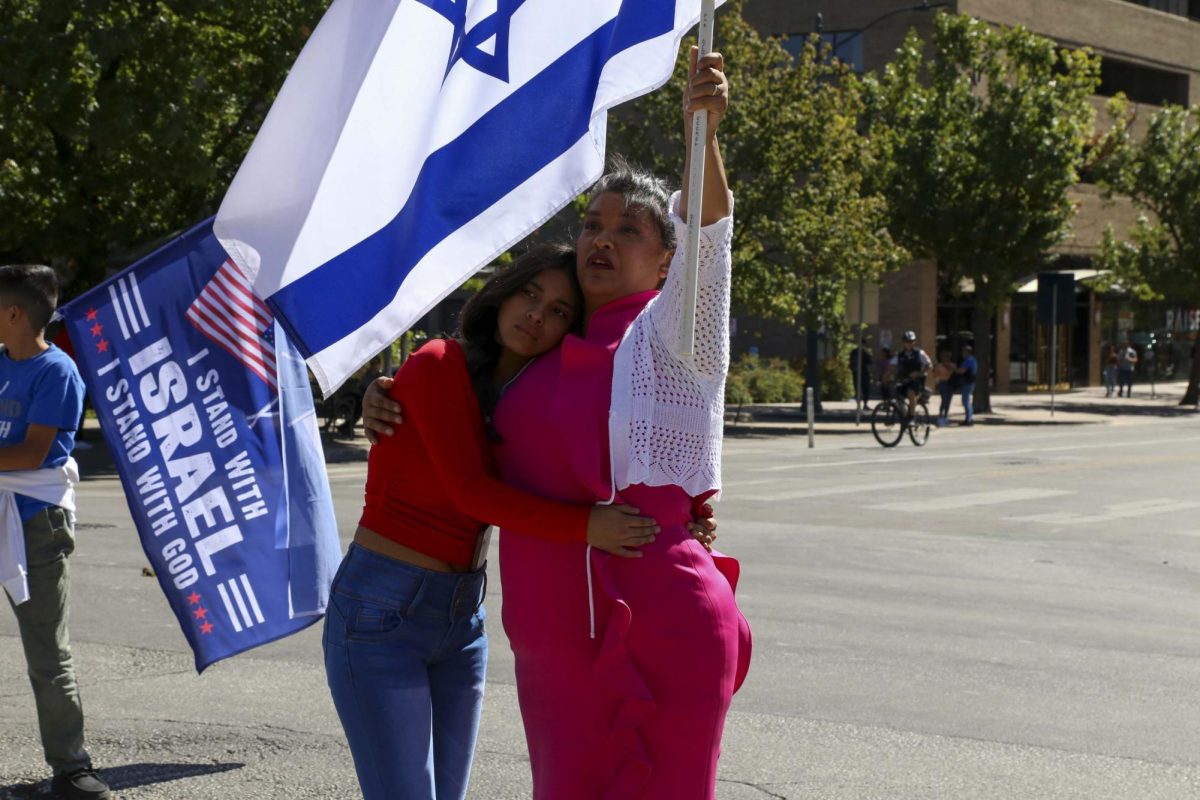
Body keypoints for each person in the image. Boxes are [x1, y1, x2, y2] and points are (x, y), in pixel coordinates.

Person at [364, 48, 750, 800]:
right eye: (592, 225)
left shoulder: (674, 338)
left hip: (662, 620)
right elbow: (463, 409)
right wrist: (391, 395)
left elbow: (711, 240)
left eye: (630, 230)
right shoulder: (543, 351)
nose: (602, 240)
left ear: (666, 261)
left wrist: (703, 132)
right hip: (551, 634)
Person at [323, 245, 716, 800]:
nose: (537, 314)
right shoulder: (438, 362)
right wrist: (588, 527)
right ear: (502, 293)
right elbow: (471, 493)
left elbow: (610, 456)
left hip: (462, 617)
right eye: (531, 294)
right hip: (381, 609)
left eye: (559, 310)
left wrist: (687, 511)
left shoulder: (527, 399)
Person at [0, 265, 108, 799]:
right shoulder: (0, 362)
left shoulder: (57, 371)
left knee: (47, 651)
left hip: (35, 521)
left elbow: (31, 453)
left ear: (15, 313)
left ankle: (71, 768)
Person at [895, 331, 932, 418]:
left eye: (911, 341)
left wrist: (920, 373)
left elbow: (929, 365)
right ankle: (903, 415)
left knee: (910, 392)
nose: (909, 344)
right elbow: (891, 367)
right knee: (896, 393)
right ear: (903, 342)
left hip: (916, 382)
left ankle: (912, 416)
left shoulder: (920, 353)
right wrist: (886, 376)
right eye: (907, 341)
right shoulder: (899, 355)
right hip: (903, 380)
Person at [931, 349, 956, 426]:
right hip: (943, 383)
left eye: (948, 356)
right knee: (944, 400)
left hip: (951, 384)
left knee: (948, 401)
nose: (947, 358)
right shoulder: (939, 365)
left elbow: (955, 373)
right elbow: (934, 374)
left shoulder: (952, 365)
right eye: (945, 356)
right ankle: (941, 416)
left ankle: (945, 416)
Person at [957, 344, 978, 426]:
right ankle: (968, 418)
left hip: (968, 382)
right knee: (967, 401)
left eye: (964, 351)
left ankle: (969, 420)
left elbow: (961, 371)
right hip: (971, 382)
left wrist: (953, 368)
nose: (962, 353)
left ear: (967, 352)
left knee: (966, 401)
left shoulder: (968, 360)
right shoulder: (973, 359)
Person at [848, 340, 873, 410]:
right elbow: (870, 362)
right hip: (864, 373)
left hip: (855, 373)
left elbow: (850, 362)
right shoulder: (864, 352)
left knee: (857, 389)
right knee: (865, 389)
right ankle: (865, 404)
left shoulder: (853, 352)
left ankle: (858, 405)